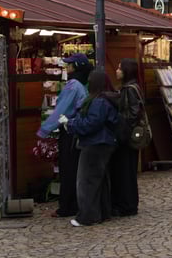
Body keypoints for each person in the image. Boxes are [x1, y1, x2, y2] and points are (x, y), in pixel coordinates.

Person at [36, 53, 93, 218]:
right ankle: (74, 204)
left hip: (69, 131)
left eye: (69, 65)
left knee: (67, 170)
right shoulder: (83, 85)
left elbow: (62, 110)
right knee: (75, 170)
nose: (66, 68)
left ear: (76, 67)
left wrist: (45, 130)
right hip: (77, 131)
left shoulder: (72, 86)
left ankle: (66, 207)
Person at [62, 70, 121, 227]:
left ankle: (87, 216)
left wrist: (71, 124)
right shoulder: (105, 99)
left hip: (95, 143)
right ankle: (101, 212)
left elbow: (91, 124)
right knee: (99, 180)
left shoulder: (98, 101)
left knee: (87, 181)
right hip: (103, 142)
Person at [108, 58, 143, 217]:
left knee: (125, 171)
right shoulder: (132, 87)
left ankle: (127, 205)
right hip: (128, 136)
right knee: (127, 171)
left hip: (127, 137)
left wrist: (122, 130)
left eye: (120, 68)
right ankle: (128, 203)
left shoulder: (129, 89)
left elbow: (132, 113)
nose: (117, 70)